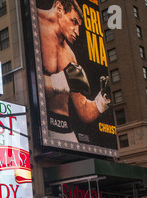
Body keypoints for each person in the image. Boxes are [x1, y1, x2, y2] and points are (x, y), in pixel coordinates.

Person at [37, 0, 111, 143]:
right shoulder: (34, 24)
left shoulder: (70, 56)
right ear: (59, 8)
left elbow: (83, 111)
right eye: (74, 21)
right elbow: (27, 83)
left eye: (79, 25)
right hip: (37, 128)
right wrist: (61, 81)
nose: (77, 31)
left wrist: (103, 99)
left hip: (66, 132)